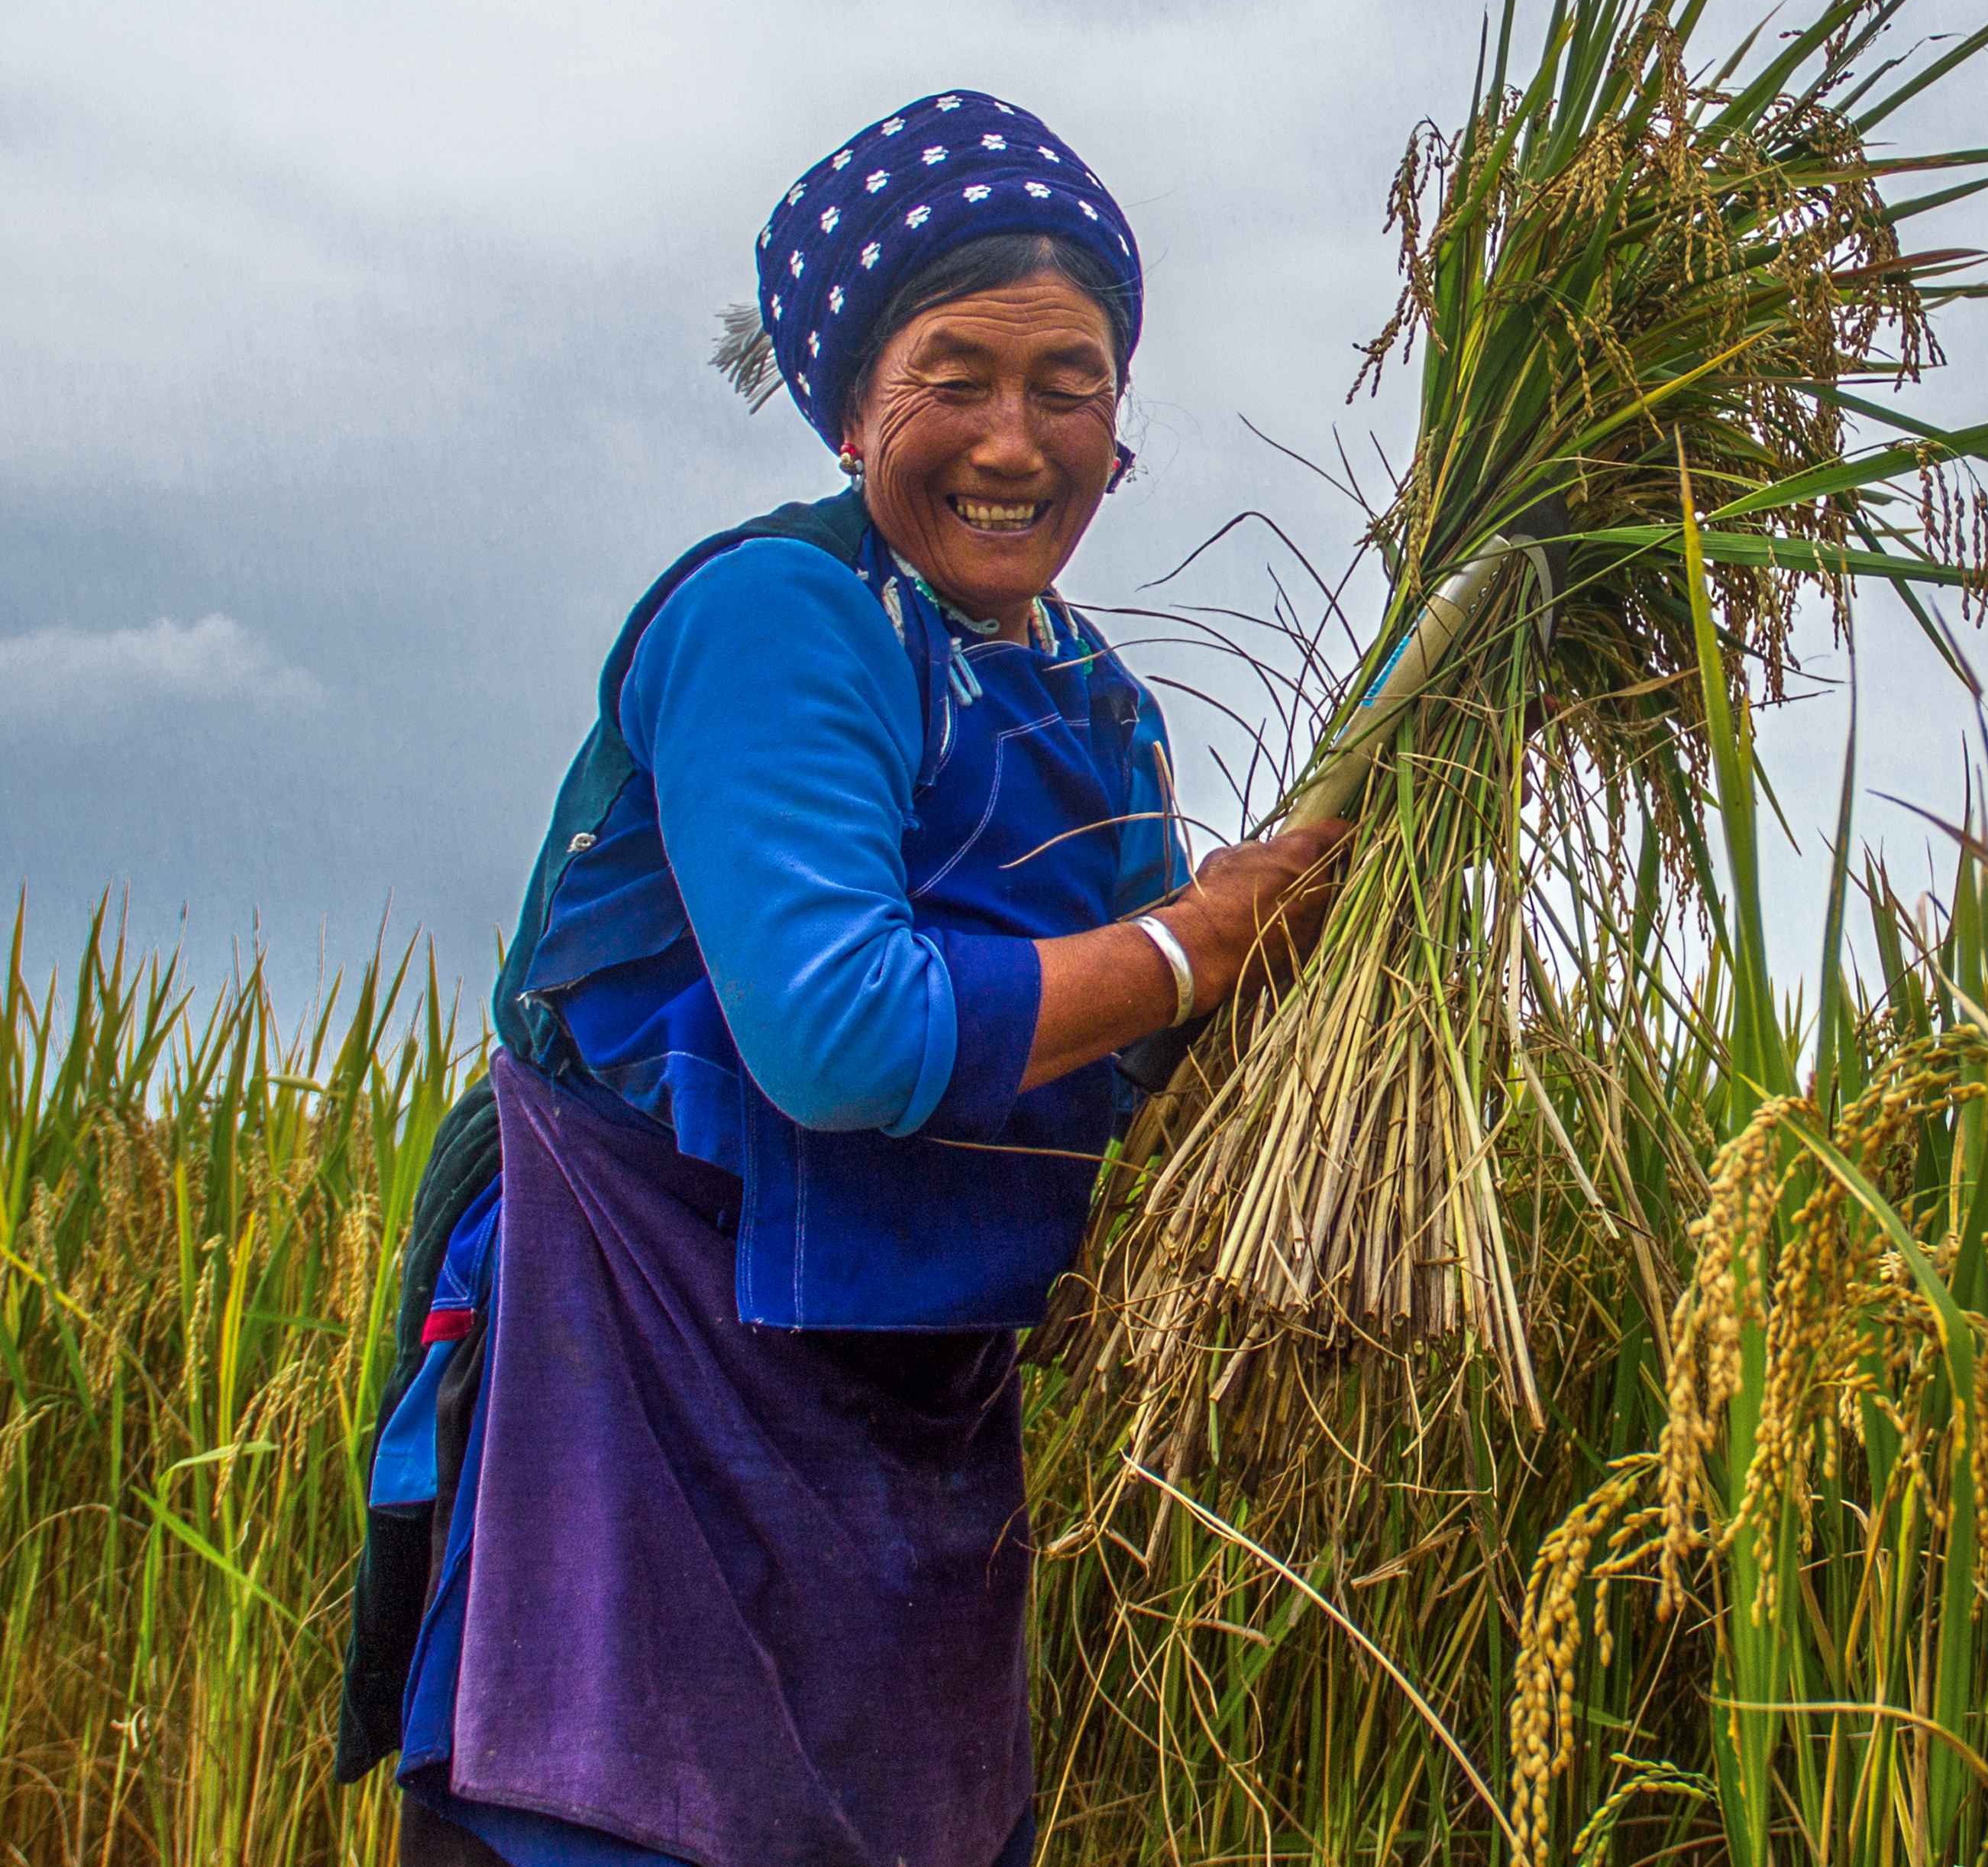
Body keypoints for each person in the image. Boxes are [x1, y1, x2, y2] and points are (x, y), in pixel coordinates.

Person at [331, 91, 1348, 1867]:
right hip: (645, 1399)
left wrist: (1312, 926)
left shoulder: (1097, 700)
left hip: (910, 1449)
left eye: (1073, 381)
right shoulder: (781, 619)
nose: (1016, 441)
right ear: (853, 399)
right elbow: (838, 1031)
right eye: (955, 376)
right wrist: (1196, 938)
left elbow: (1130, 1058)